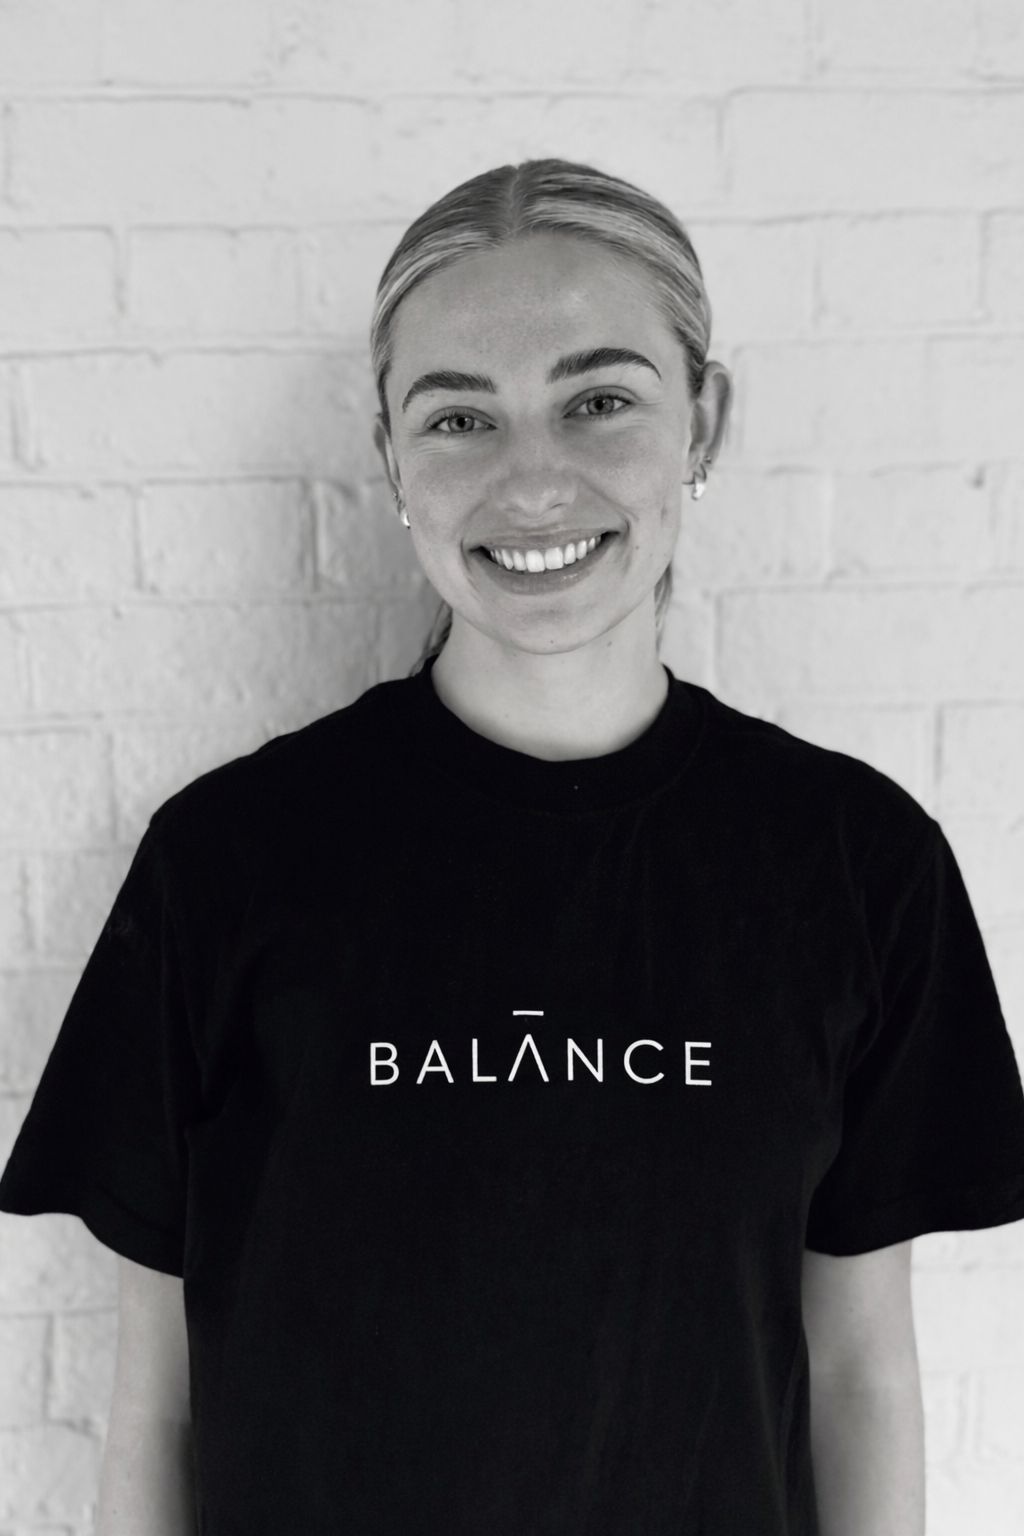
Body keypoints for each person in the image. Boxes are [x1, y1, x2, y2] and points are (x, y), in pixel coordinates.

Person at [2, 157, 1023, 1536]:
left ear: (704, 422)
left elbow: (858, 1377)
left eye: (598, 401)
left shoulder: (857, 864)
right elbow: (159, 1407)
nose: (532, 480)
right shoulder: (226, 862)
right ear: (391, 459)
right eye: (459, 418)